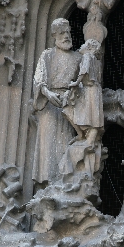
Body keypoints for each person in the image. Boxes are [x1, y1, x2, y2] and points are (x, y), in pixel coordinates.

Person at [32, 18, 82, 186]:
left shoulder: (77, 58)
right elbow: (39, 80)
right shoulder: (48, 55)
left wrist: (70, 93)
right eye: (62, 33)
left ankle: (63, 184)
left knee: (65, 145)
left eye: (68, 32)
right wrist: (47, 93)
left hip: (68, 105)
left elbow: (82, 82)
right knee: (48, 148)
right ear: (54, 36)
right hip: (49, 106)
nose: (66, 36)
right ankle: (46, 186)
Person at [66, 39, 104, 149]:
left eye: (83, 44)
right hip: (95, 89)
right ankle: (85, 137)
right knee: (93, 116)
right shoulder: (97, 61)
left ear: (89, 48)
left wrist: (76, 82)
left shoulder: (87, 56)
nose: (80, 46)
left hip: (89, 90)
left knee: (90, 115)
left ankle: (89, 141)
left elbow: (84, 71)